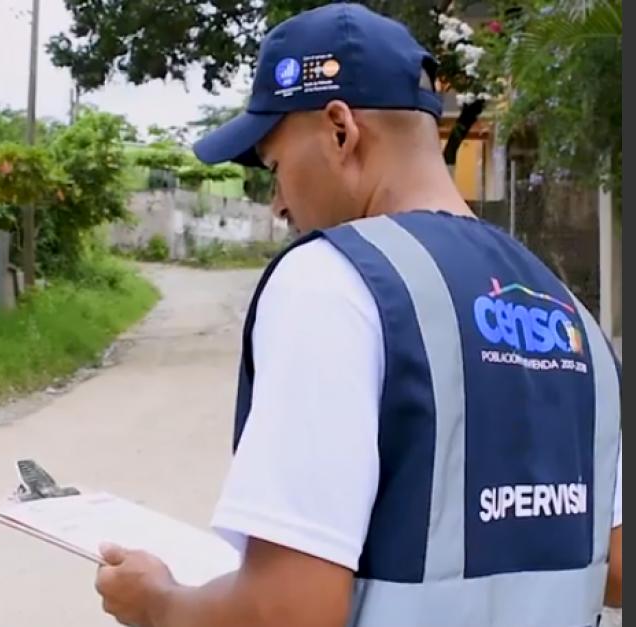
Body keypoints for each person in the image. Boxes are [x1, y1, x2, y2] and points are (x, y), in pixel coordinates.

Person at [94, 4, 623, 626]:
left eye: (275, 168)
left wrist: (160, 603)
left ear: (340, 130)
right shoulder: (568, 312)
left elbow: (288, 612)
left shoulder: (336, 281)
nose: (279, 205)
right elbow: (614, 568)